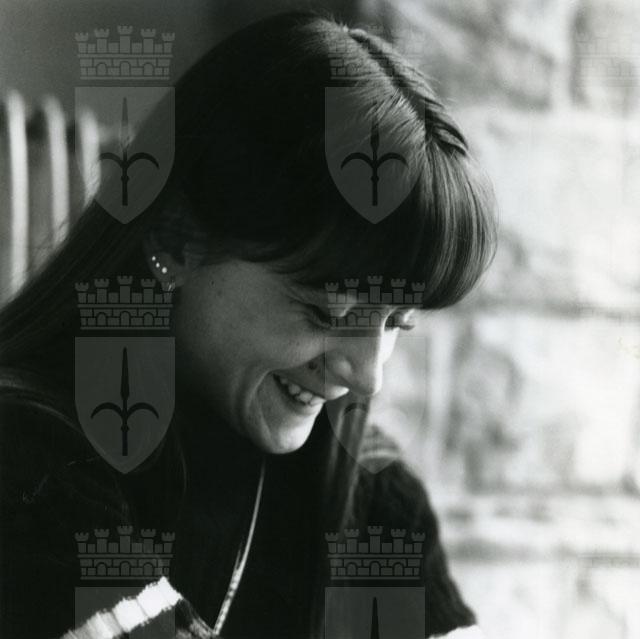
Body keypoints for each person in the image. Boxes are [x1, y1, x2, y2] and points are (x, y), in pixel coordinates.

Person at [0, 11, 495, 639]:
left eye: (398, 322)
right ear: (175, 240)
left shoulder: (373, 495)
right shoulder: (26, 463)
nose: (367, 375)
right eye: (328, 312)